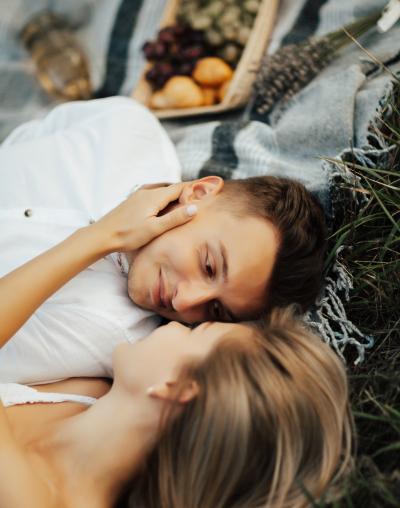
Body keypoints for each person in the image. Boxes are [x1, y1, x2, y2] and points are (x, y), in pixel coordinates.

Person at [0, 188, 351, 508]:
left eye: (202, 328)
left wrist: (102, 236)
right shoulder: (87, 396)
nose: (181, 315)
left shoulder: (28, 495)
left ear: (177, 388)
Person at [0, 96, 326, 384]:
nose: (185, 302)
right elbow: (28, 136)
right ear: (199, 192)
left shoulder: (111, 336)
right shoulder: (129, 128)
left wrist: (102, 237)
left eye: (216, 310)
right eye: (209, 266)